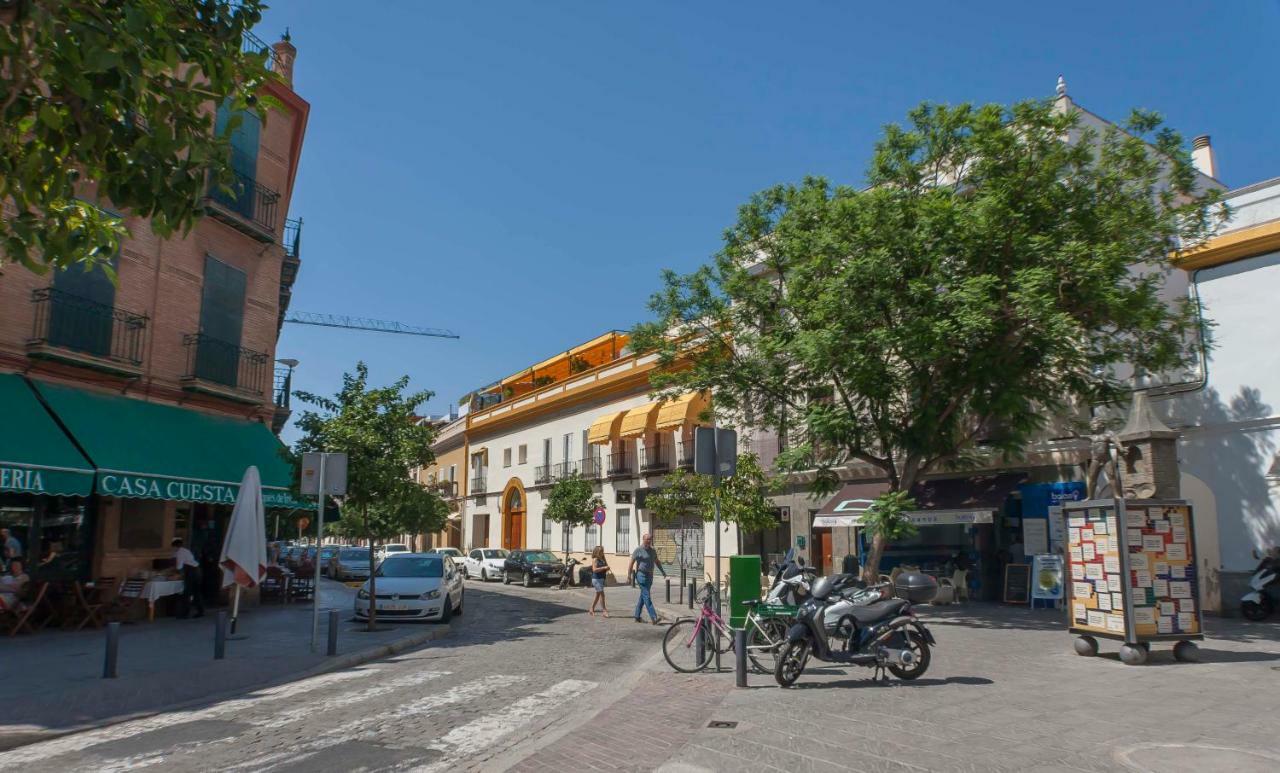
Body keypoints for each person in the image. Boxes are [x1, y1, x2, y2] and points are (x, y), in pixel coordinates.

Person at [628, 533, 667, 624]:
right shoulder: (638, 550)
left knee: (643, 596)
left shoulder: (652, 550)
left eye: (650, 539)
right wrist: (629, 576)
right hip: (641, 575)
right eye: (647, 539)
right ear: (643, 539)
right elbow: (631, 563)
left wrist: (663, 572)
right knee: (647, 596)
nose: (649, 541)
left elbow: (657, 562)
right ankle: (654, 617)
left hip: (650, 576)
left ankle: (637, 616)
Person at [172, 537, 204, 619]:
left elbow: (179, 566)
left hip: (192, 572)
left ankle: (185, 613)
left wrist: (175, 573)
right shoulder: (185, 550)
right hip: (196, 571)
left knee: (187, 592)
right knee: (196, 592)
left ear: (175, 546)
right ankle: (200, 611)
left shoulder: (180, 552)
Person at [587, 545, 610, 618]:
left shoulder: (603, 559)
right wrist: (604, 568)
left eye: (603, 551)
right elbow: (594, 570)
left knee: (598, 595)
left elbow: (605, 567)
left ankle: (591, 608)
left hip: (602, 578)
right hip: (596, 579)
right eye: (601, 552)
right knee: (602, 595)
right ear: (597, 552)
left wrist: (607, 568)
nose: (602, 553)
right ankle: (604, 611)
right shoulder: (595, 559)